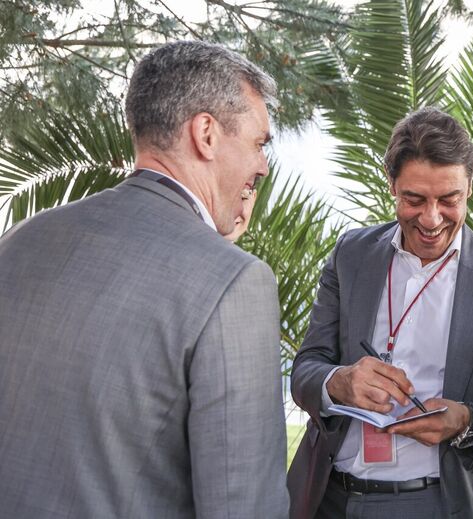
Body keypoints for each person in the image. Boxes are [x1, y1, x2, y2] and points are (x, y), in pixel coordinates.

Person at [0, 41, 289, 518]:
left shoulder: (19, 239)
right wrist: (222, 273)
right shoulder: (236, 285)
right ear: (207, 134)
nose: (261, 165)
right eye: (259, 143)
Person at [287, 107, 473, 519]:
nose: (432, 218)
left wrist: (465, 421)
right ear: (392, 186)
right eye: (414, 199)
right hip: (327, 498)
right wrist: (339, 382)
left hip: (437, 504)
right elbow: (305, 369)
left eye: (449, 200)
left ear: (469, 188)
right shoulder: (351, 254)